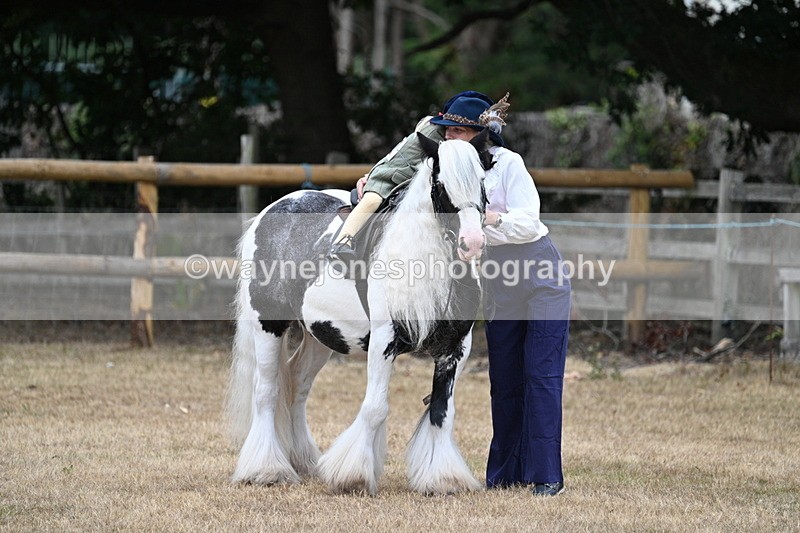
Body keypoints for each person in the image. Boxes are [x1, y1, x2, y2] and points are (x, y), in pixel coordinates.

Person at [326, 90, 502, 265]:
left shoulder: (469, 146)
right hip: (393, 173)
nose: (449, 134)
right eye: (448, 128)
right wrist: (370, 176)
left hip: (417, 175)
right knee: (373, 199)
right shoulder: (437, 137)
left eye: (457, 129)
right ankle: (343, 241)